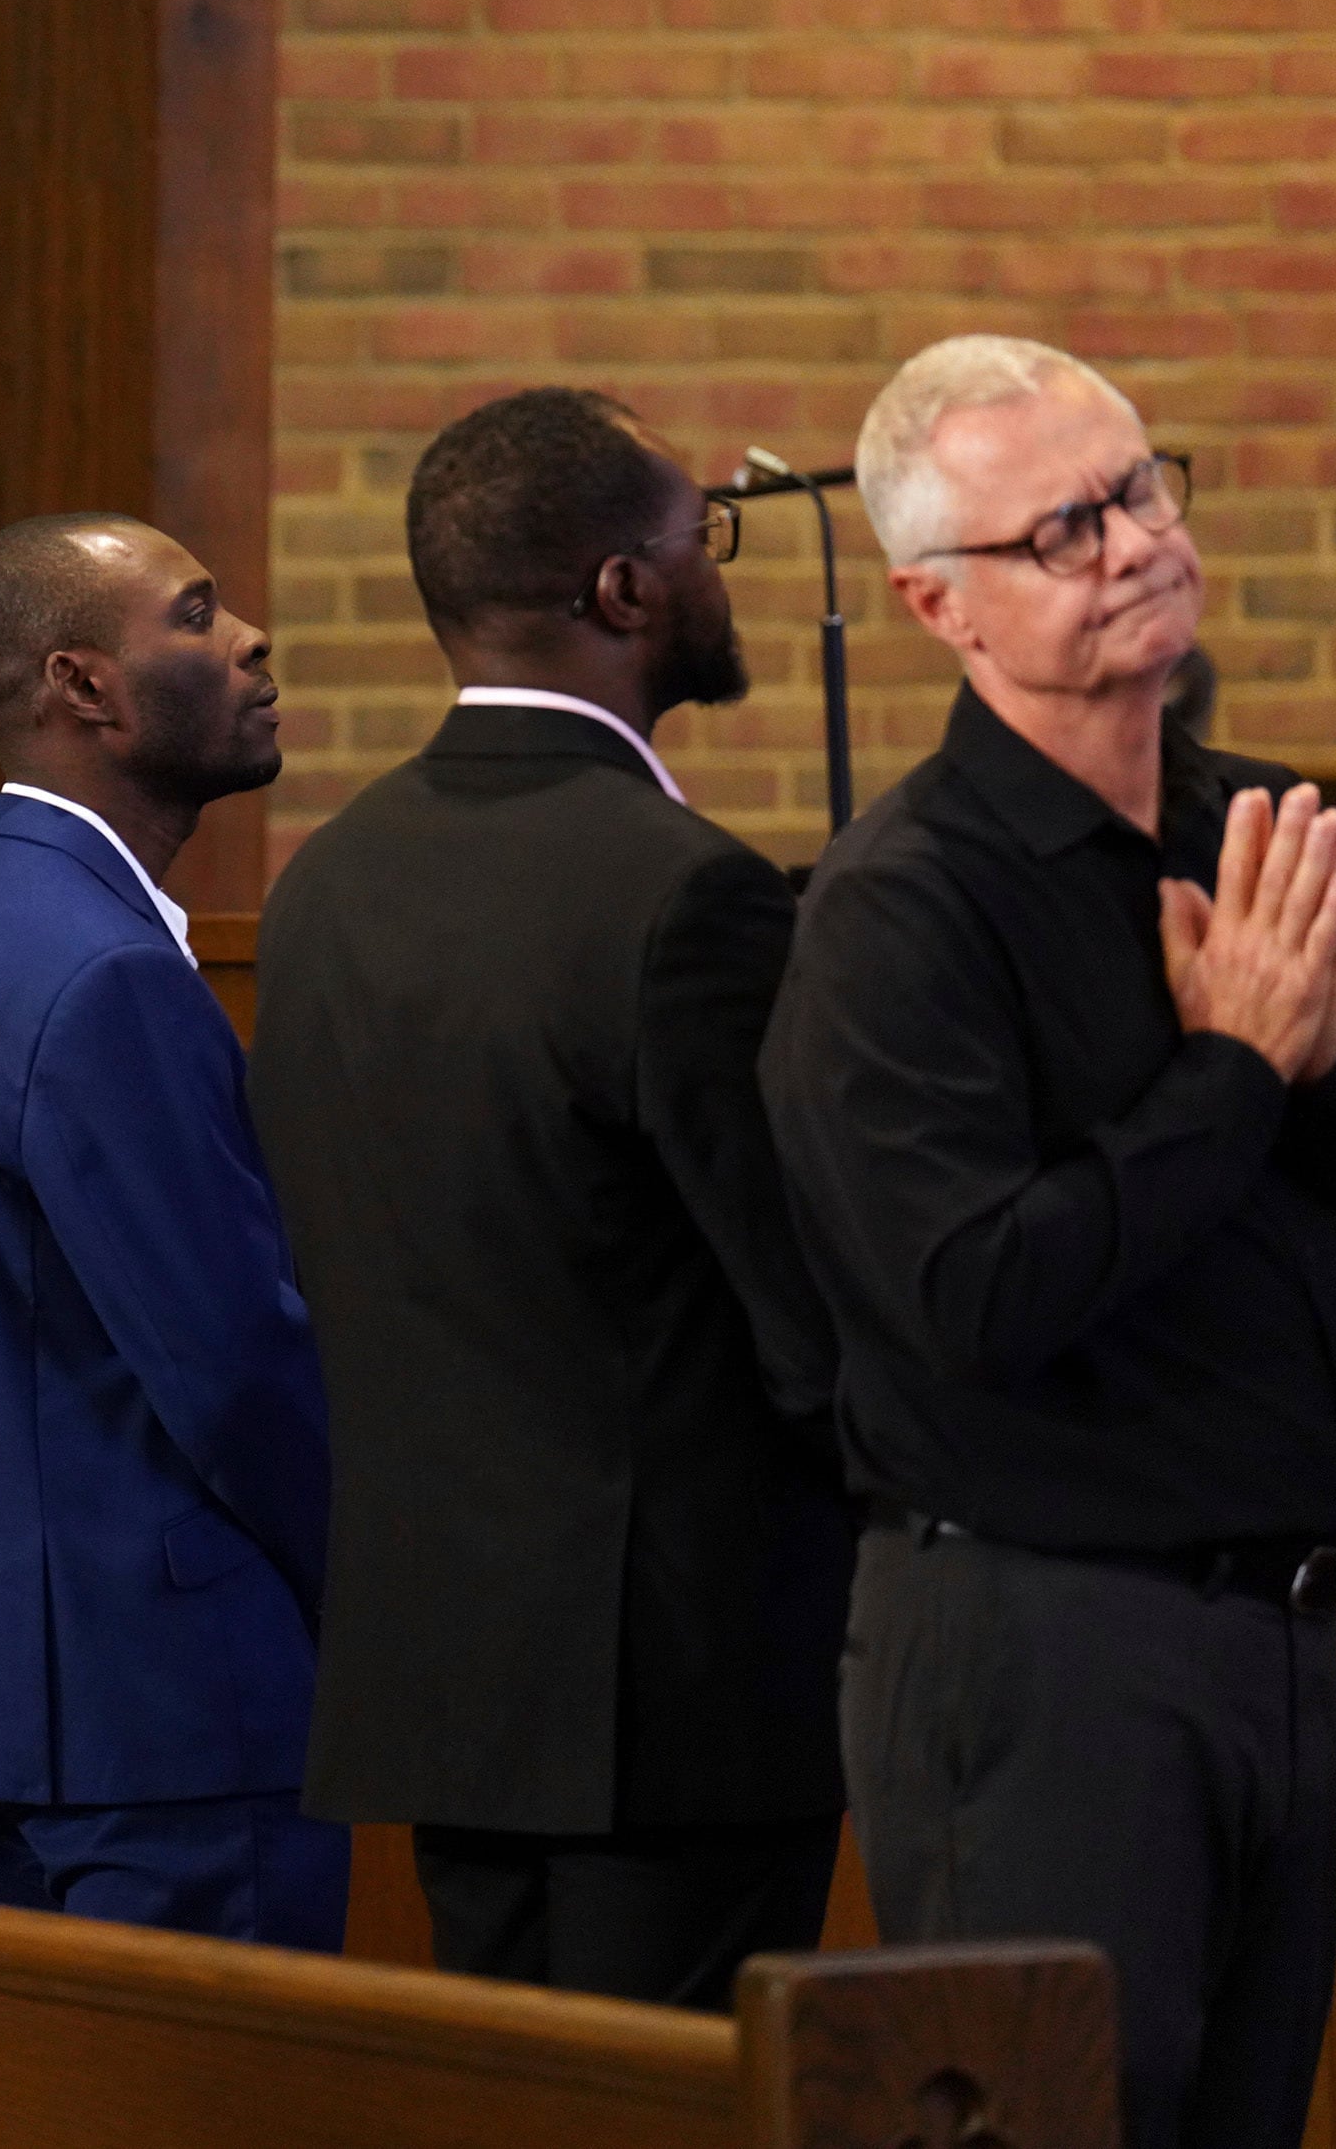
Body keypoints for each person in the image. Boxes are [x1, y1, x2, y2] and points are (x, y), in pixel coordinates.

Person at [761, 335, 1336, 2149]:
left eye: (1139, 489)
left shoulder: (1256, 826)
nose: (1130, 544)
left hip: (1276, 1633)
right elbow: (974, 1297)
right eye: (1062, 530)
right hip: (1040, 1646)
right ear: (937, 603)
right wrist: (1232, 1072)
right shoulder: (898, 908)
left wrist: (1314, 1072)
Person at [249, 389, 854, 2009]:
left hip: (443, 1672)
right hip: (675, 1688)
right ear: (623, 590)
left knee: (517, 2102)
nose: (716, 570)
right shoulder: (686, 893)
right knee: (674, 2108)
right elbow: (806, 1307)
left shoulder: (328, 880)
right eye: (702, 539)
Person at [0, 513, 343, 1949]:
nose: (248, 638)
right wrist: (369, 1592)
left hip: (3, 1700)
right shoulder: (101, 966)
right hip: (163, 1705)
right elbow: (230, 1366)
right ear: (82, 686)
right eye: (195, 613)